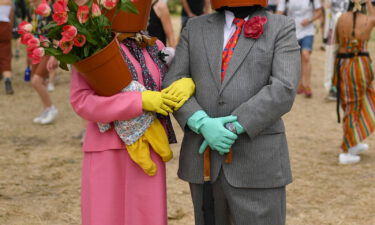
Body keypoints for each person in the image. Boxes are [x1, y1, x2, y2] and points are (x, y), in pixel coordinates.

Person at [163, 0, 301, 224]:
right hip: (204, 161)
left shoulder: (281, 26)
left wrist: (234, 125)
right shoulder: (195, 27)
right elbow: (174, 80)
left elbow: (283, 88)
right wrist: (201, 122)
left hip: (257, 162)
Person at [69, 1, 195, 224]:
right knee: (106, 216)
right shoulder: (90, 47)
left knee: (146, 217)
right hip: (107, 150)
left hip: (150, 147)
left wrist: (185, 82)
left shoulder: (154, 47)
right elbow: (82, 101)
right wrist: (138, 101)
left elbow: (170, 81)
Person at [333, 0, 375, 164]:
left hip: (342, 64)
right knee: (354, 105)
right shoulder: (368, 20)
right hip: (358, 65)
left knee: (350, 104)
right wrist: (369, 4)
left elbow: (336, 42)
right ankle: (347, 149)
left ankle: (354, 140)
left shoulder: (340, 18)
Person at [277, 0, 323, 98]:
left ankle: (307, 85)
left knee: (306, 56)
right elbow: (279, 13)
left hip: (308, 31)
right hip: (291, 31)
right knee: (295, 58)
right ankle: (300, 83)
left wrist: (310, 20)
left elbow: (319, 11)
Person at [29, 0, 58, 124]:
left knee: (36, 81)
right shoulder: (38, 12)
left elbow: (57, 32)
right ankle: (46, 108)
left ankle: (51, 109)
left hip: (49, 51)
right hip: (40, 50)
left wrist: (55, 55)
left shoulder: (49, 11)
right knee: (38, 81)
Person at [322, 0, 349, 101]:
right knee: (331, 60)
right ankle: (332, 88)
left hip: (348, 32)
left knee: (346, 59)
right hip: (331, 31)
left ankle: (344, 88)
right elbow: (327, 10)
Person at [0, 0, 14, 95]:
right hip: (5, 26)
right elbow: (11, 16)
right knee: (5, 56)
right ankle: (7, 80)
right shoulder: (8, 1)